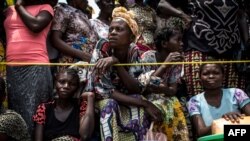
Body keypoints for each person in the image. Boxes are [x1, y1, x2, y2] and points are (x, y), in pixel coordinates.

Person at [85, 7, 162, 141]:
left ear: (131, 37)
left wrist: (117, 63)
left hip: (124, 95)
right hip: (100, 98)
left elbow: (136, 87)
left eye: (119, 29)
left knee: (139, 101)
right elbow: (105, 91)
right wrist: (144, 103)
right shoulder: (103, 46)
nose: (113, 33)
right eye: (111, 29)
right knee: (109, 104)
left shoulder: (133, 50)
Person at [158, 0, 248, 97]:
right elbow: (162, 4)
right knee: (199, 98)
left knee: (234, 97)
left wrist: (247, 42)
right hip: (199, 47)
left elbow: (241, 16)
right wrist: (183, 15)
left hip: (231, 51)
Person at [4, 0, 57, 134]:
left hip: (36, 65)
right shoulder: (8, 11)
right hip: (12, 66)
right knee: (16, 110)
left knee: (35, 112)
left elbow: (35, 25)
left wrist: (19, 6)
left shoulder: (45, 8)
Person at [139, 24, 189, 141]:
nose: (182, 43)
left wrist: (160, 87)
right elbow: (144, 87)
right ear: (164, 44)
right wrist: (165, 65)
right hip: (145, 98)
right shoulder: (148, 57)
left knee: (174, 103)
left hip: (166, 97)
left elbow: (172, 90)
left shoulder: (177, 61)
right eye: (178, 40)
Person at [187, 63, 250, 138]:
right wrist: (222, 121)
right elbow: (201, 132)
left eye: (216, 73)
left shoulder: (237, 93)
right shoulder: (194, 101)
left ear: (223, 76)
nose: (211, 76)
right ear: (200, 77)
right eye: (205, 74)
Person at [33, 68, 95, 141]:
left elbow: (85, 135)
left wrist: (90, 97)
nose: (66, 86)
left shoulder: (80, 106)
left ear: (77, 88)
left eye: (72, 84)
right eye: (62, 82)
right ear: (55, 84)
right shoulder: (44, 108)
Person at [51, 0, 98, 72]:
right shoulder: (63, 10)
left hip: (85, 64)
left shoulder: (82, 14)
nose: (87, 2)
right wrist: (82, 55)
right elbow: (55, 39)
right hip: (70, 63)